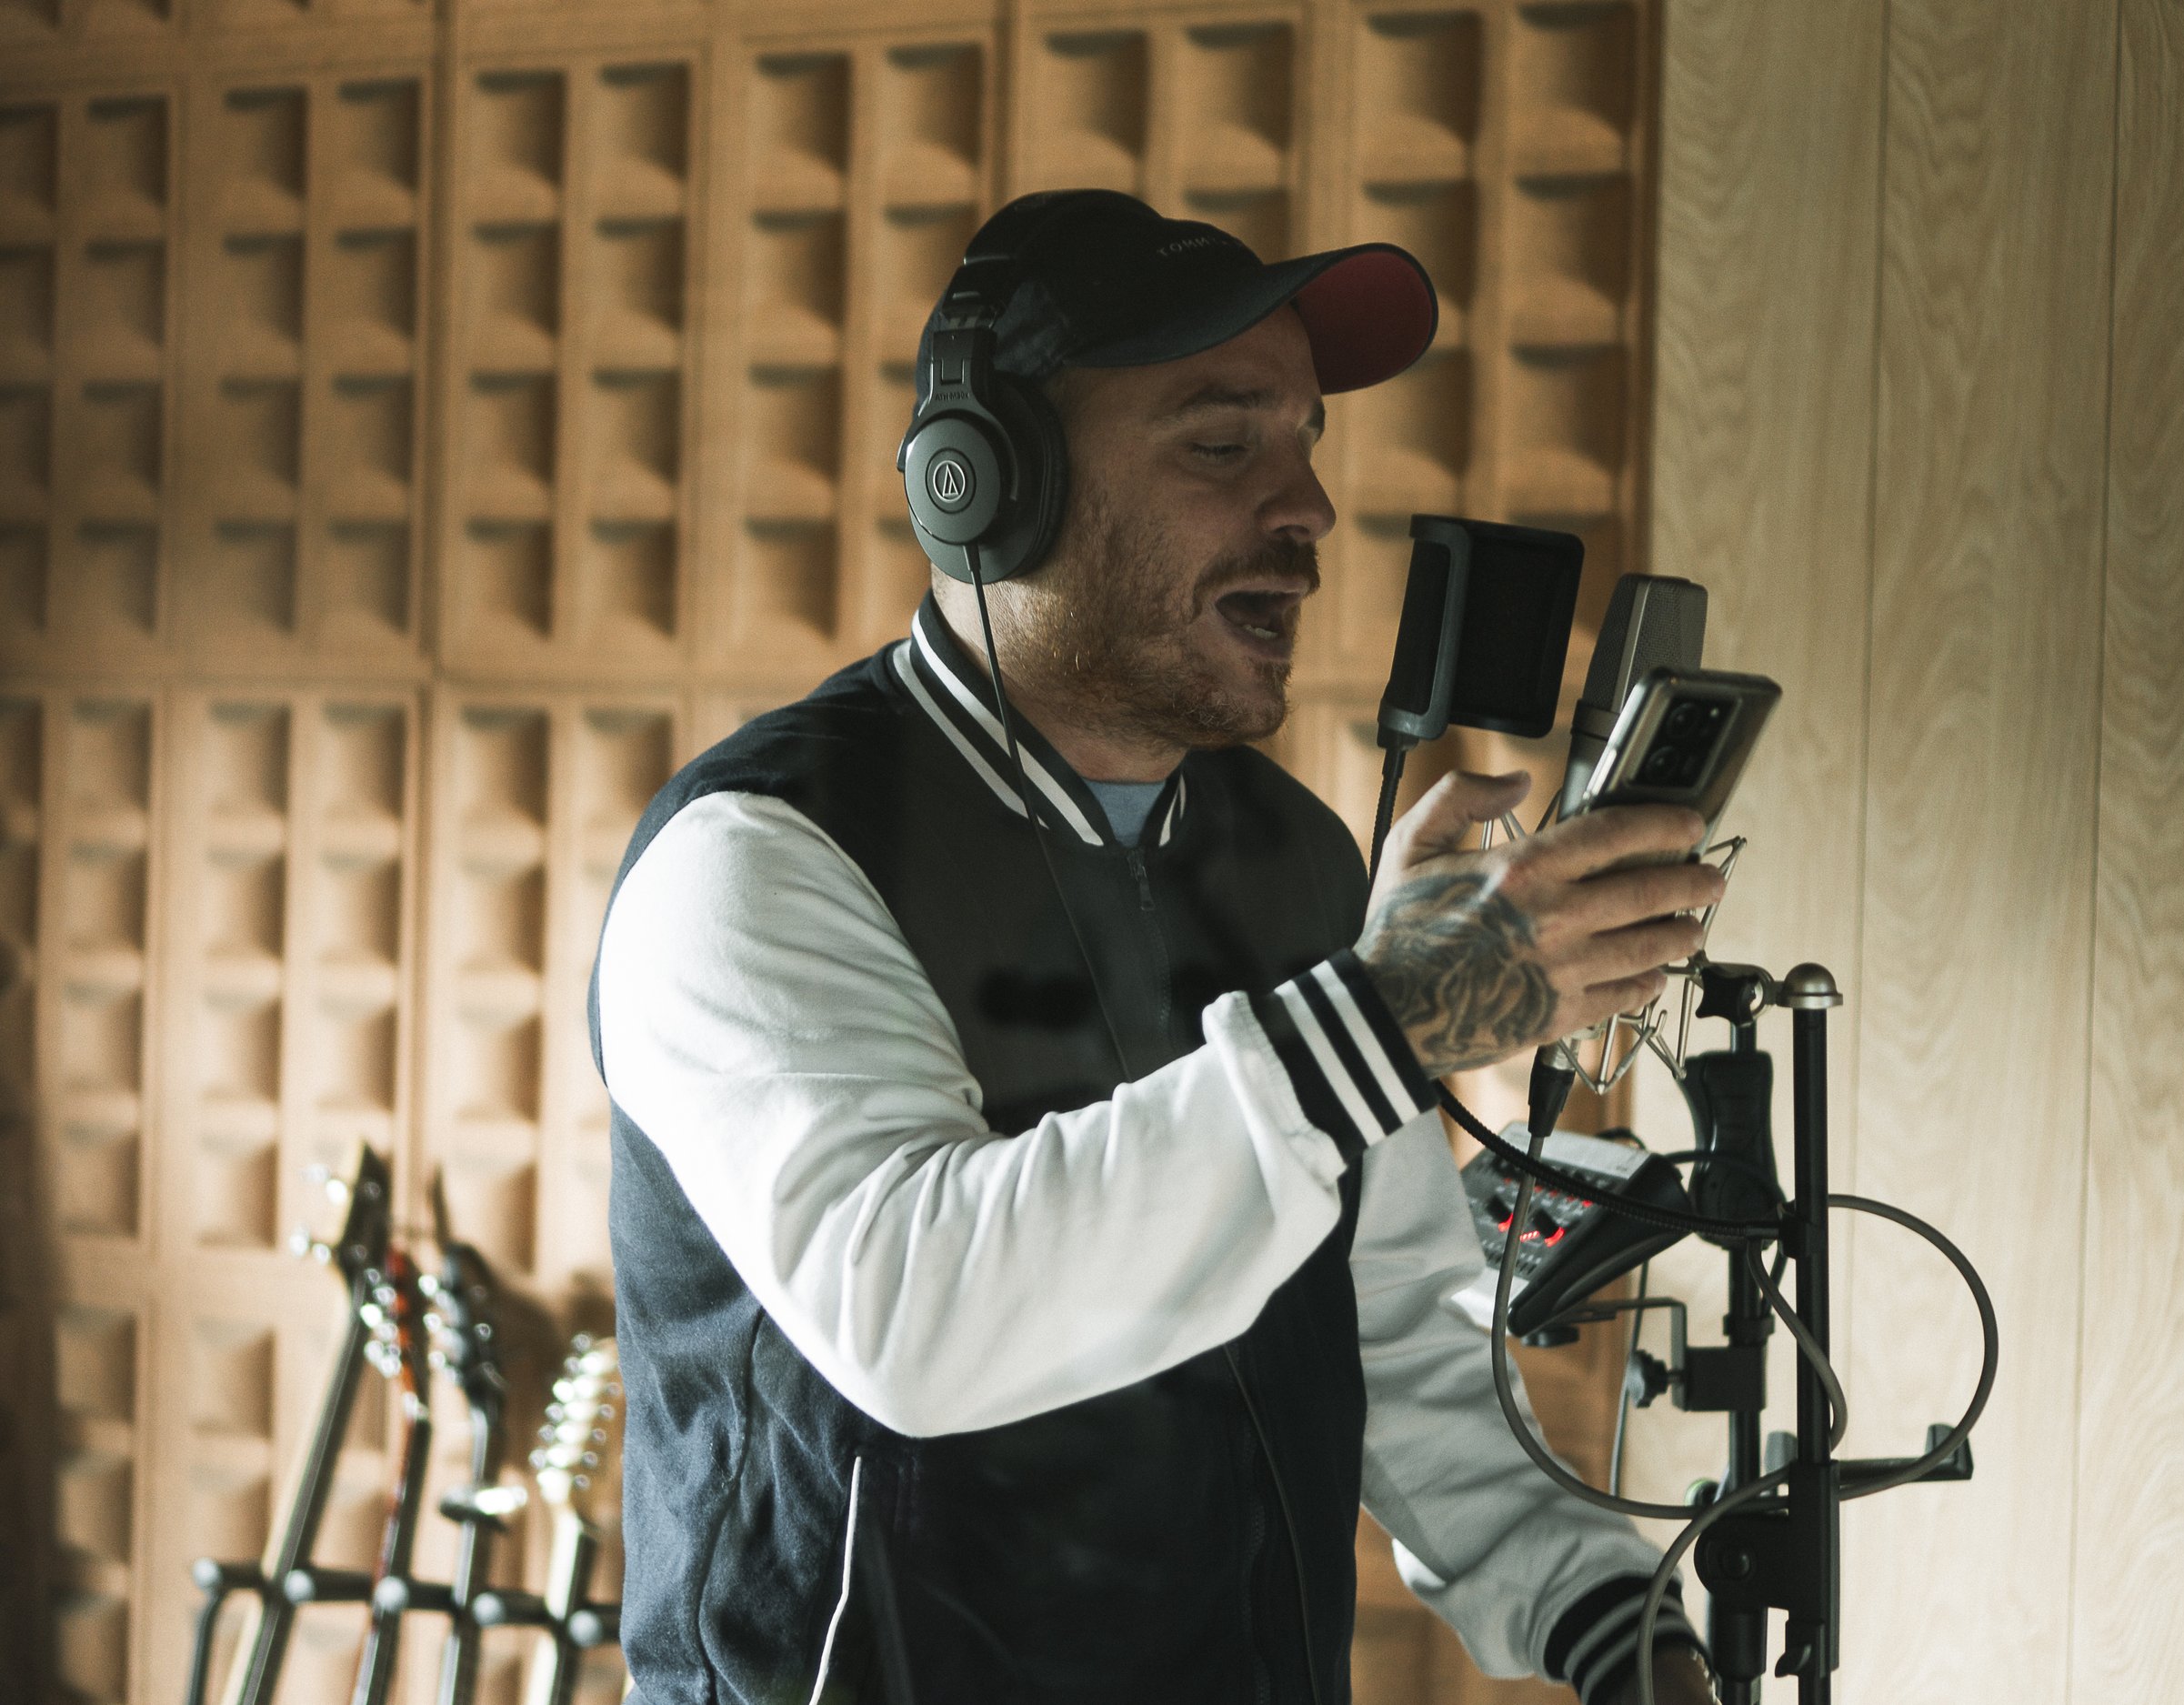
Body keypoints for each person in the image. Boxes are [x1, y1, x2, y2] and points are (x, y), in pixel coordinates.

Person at [592, 190, 1721, 1705]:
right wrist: (1389, 1018)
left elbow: (1386, 1325)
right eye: (1220, 441)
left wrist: (1599, 1611)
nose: (1308, 509)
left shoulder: (1290, 858)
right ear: (994, 484)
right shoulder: (759, 861)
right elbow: (918, 1314)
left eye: (1308, 441)